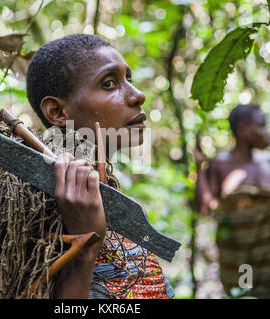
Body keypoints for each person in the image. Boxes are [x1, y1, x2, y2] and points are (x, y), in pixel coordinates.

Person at [26, 33, 176, 299]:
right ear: (58, 112)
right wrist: (83, 249)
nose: (137, 95)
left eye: (129, 79)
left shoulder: (113, 200)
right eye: (109, 84)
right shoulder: (32, 220)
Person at [194, 104, 270, 298]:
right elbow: (204, 207)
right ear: (243, 130)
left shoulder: (268, 161)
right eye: (262, 125)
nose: (267, 132)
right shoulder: (220, 164)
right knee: (243, 294)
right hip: (238, 261)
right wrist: (199, 169)